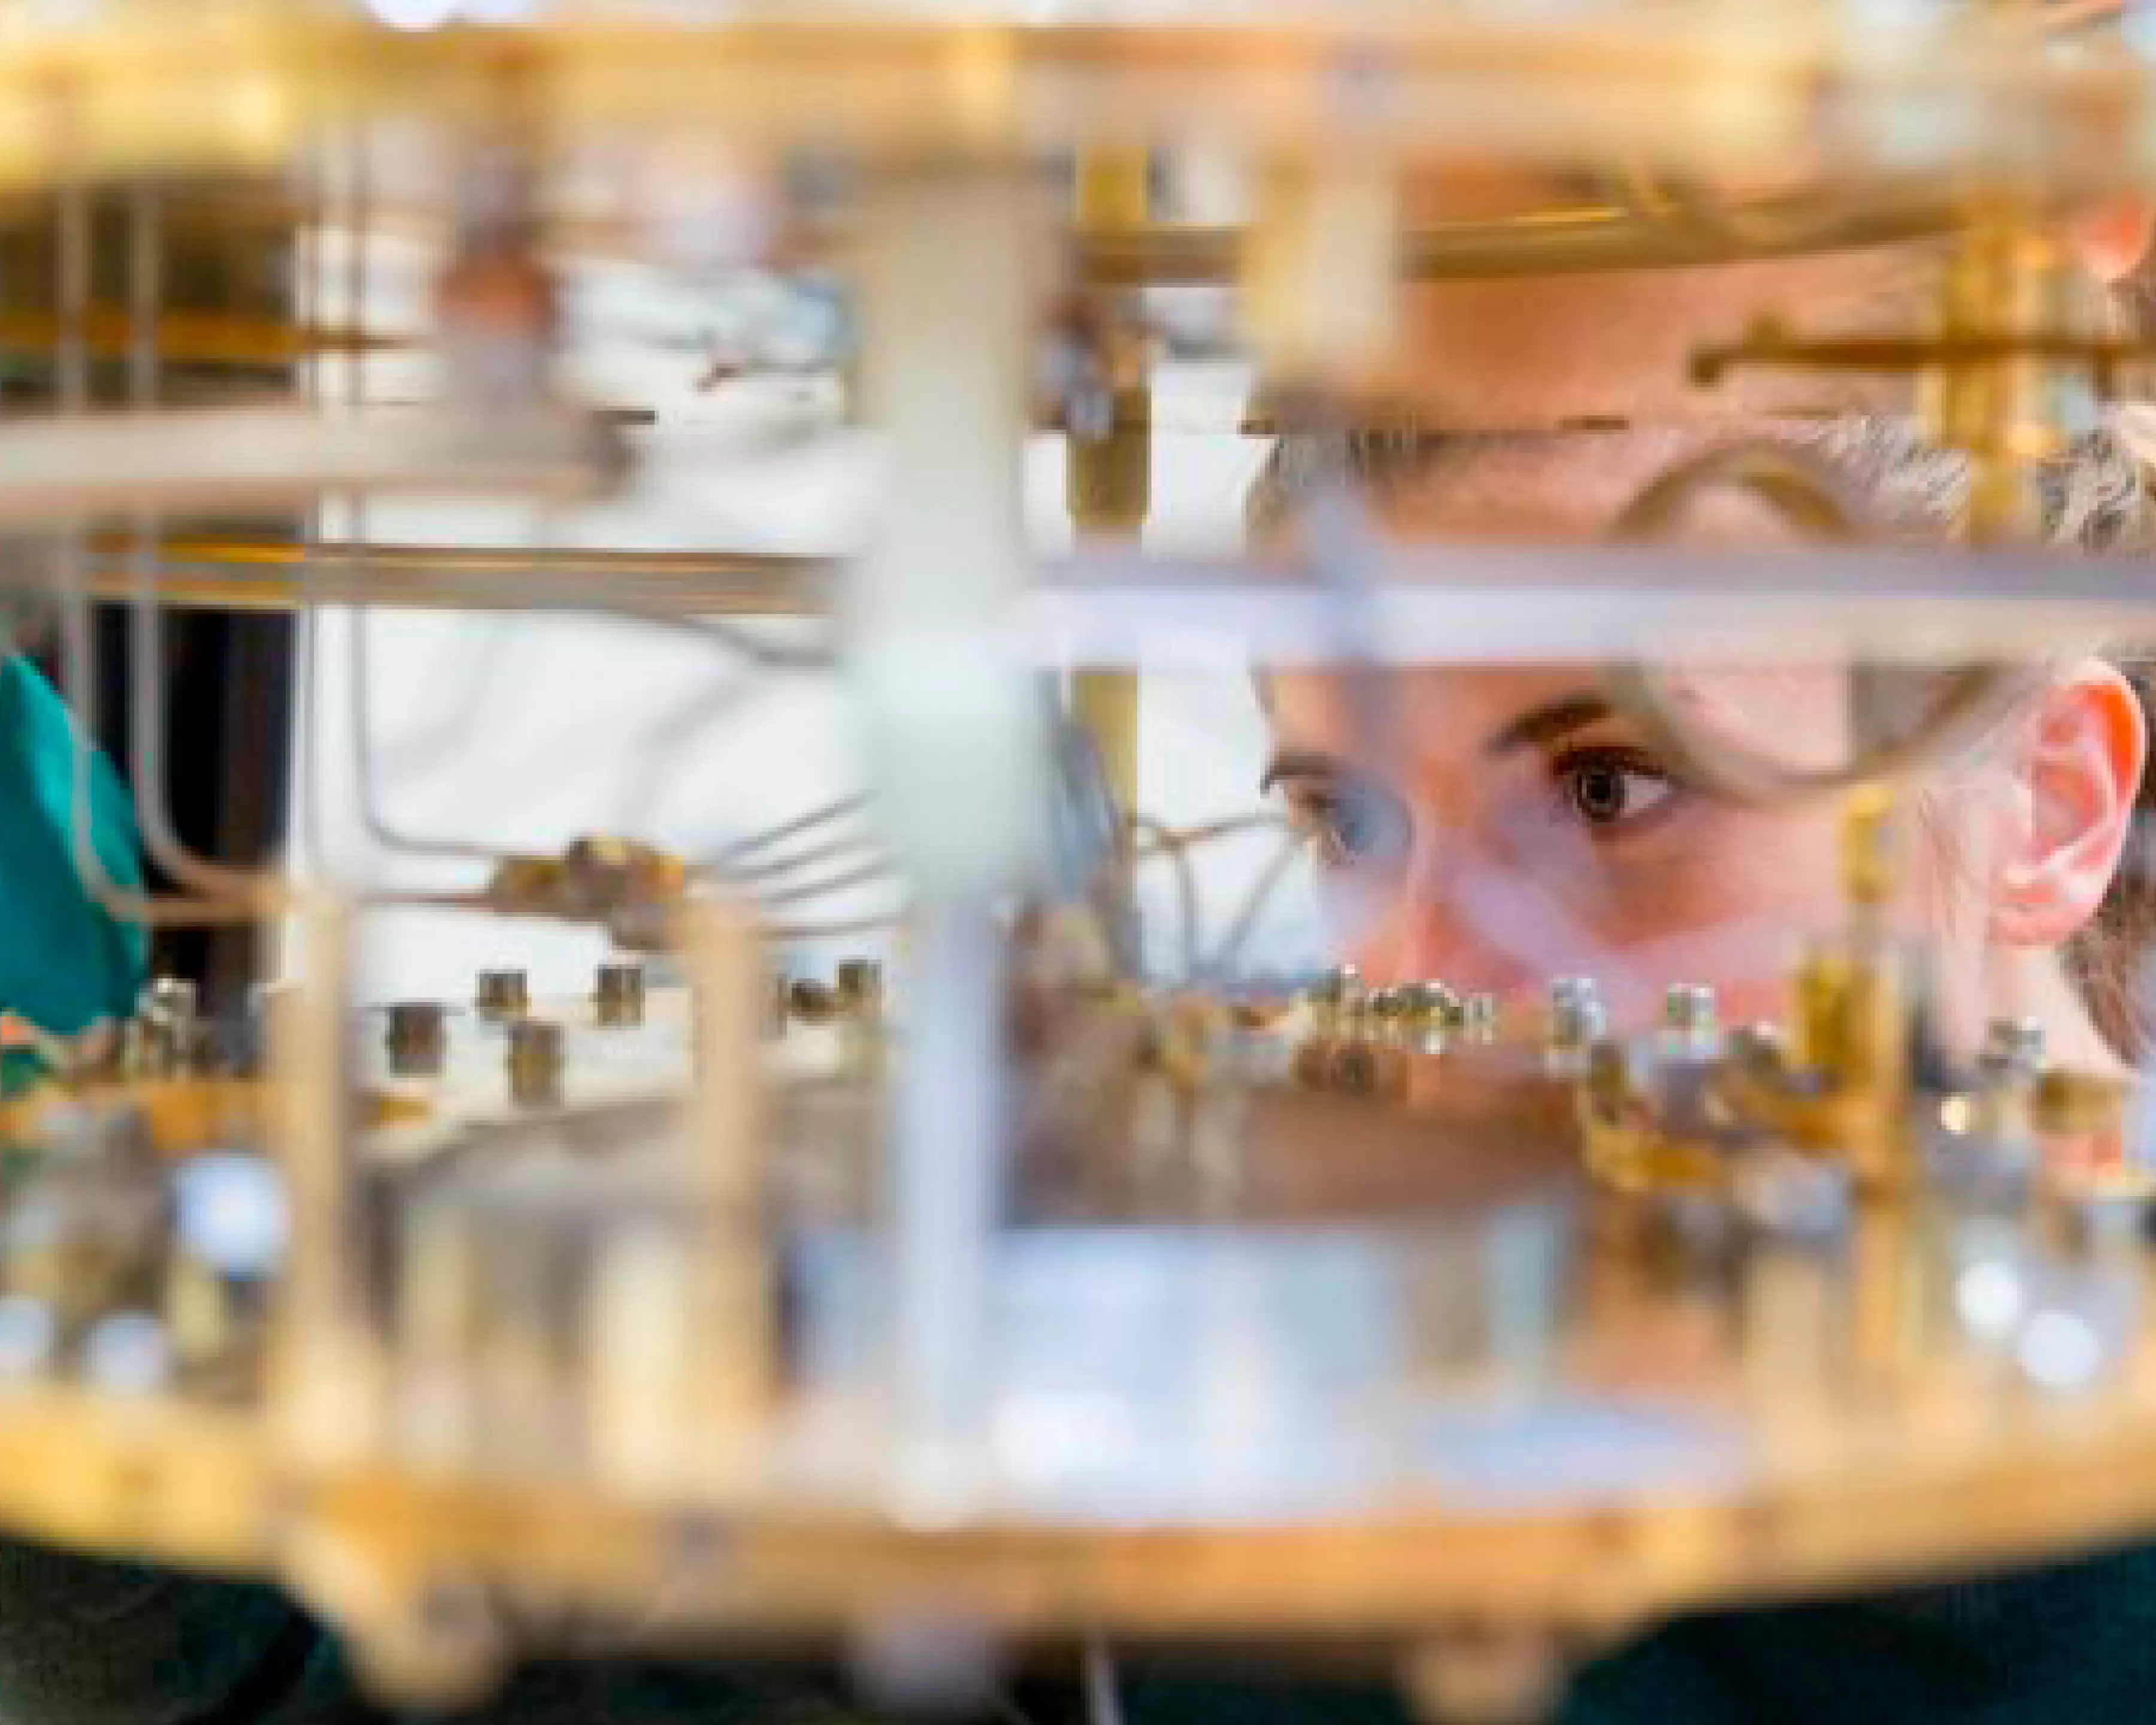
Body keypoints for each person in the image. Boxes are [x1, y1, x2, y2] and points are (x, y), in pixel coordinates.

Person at [7, 200, 2156, 1725]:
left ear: (2056, 805)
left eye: (1610, 789)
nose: (1423, 994)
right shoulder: (1232, 1393)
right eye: (1348, 820)